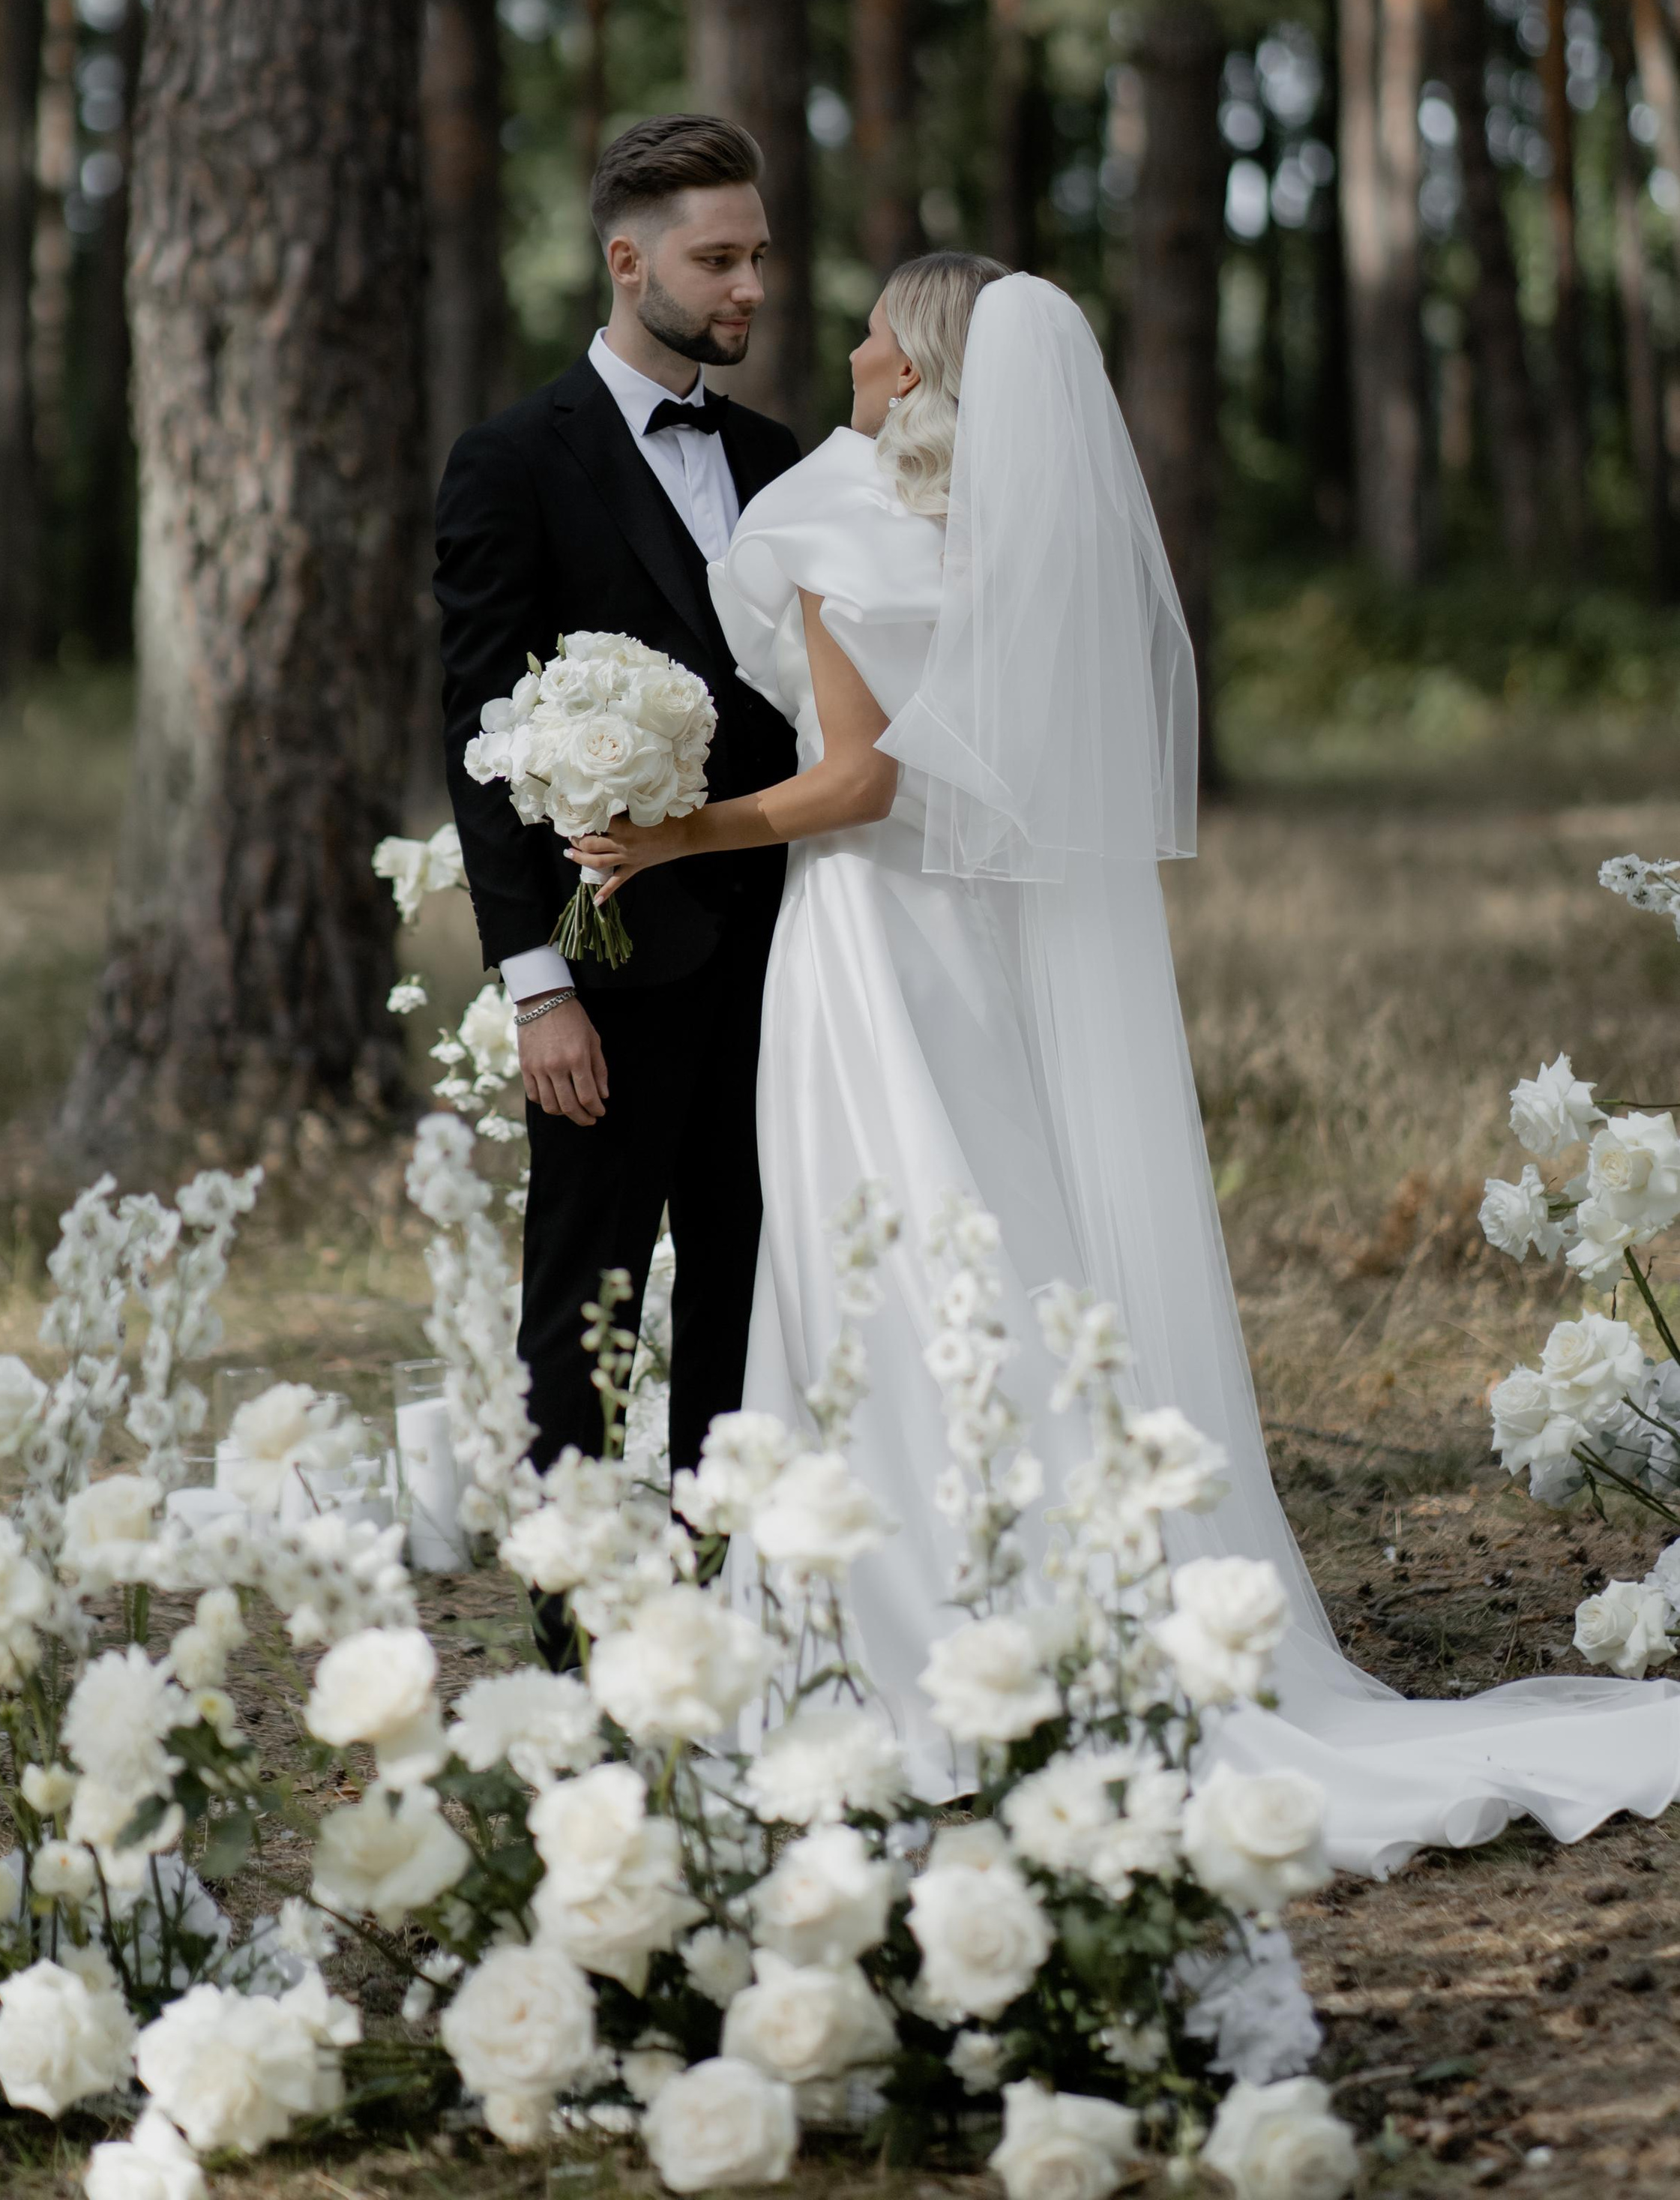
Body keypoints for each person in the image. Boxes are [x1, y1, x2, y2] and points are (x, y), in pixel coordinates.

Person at [571, 259, 1680, 1875]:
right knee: (1001, 1245)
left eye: (881, 325)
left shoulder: (827, 519)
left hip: (872, 950)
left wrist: (676, 834)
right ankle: (1033, 1609)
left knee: (876, 1255)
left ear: (922, 365)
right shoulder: (1018, 536)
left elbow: (856, 783)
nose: (856, 344)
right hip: (983, 959)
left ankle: (899, 1637)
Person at [434, 112, 799, 1502]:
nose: (748, 289)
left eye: (758, 257)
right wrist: (538, 989)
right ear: (626, 257)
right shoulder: (513, 461)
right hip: (609, 958)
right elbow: (476, 732)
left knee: (749, 1280)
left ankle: (730, 1588)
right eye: (717, 260)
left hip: (786, 947)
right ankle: (575, 1639)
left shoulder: (779, 460)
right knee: (585, 1301)